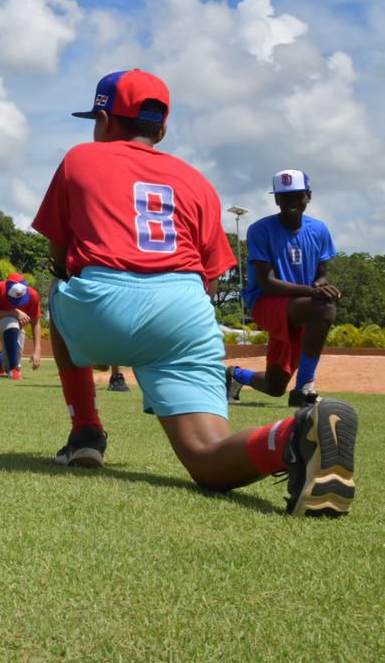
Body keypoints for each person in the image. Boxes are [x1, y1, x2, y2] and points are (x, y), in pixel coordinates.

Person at [33, 69, 356, 516]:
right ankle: (291, 434)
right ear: (162, 128)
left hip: (103, 301)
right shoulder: (197, 180)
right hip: (184, 310)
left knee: (58, 288)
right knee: (208, 458)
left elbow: (59, 252)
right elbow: (212, 275)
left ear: (104, 121)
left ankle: (87, 432)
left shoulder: (81, 158)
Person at [226, 170, 339, 408]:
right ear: (276, 199)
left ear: (308, 196)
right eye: (284, 197)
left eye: (297, 196)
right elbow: (267, 283)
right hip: (266, 303)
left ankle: (234, 375)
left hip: (299, 308)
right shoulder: (260, 229)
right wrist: (313, 292)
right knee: (325, 308)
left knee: (274, 387)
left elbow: (321, 275)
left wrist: (322, 285)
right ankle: (304, 389)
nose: (291, 202)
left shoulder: (319, 230)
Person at [0, 272, 41, 380]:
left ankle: (0, 359)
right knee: (12, 321)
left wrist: (37, 351)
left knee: (13, 357)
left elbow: (36, 323)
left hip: (17, 329)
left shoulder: (33, 295)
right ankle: (14, 370)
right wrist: (14, 312)